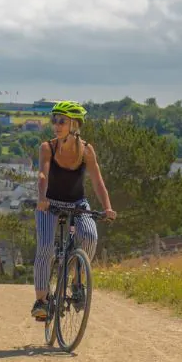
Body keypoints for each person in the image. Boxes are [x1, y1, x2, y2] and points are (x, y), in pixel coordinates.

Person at [31, 101, 117, 319]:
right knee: (46, 249)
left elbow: (97, 182)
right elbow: (43, 175)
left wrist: (107, 207)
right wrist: (41, 198)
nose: (57, 125)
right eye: (55, 120)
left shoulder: (86, 150)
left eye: (62, 121)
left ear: (74, 125)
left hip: (78, 203)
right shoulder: (47, 147)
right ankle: (41, 301)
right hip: (49, 204)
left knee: (89, 236)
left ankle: (78, 280)